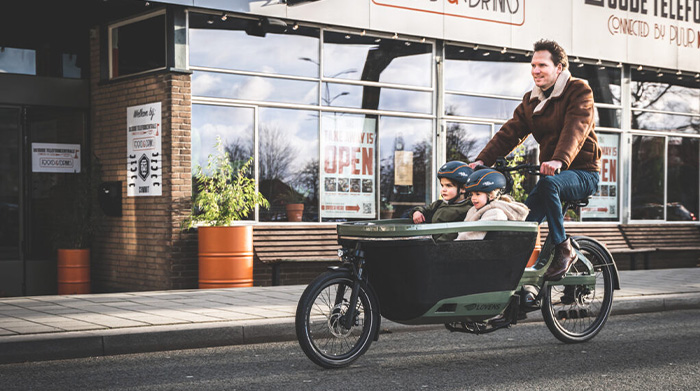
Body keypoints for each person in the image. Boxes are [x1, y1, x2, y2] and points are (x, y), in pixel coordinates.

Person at [468, 39, 601, 281]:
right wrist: (482, 161)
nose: (535, 70)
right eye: (533, 66)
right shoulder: (532, 100)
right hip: (553, 176)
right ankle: (516, 298)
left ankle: (564, 248)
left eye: (542, 65)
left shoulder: (579, 91)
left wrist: (560, 159)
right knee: (523, 226)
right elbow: (510, 132)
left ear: (559, 68)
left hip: (582, 172)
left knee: (549, 185)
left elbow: (576, 127)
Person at [456, 169, 529, 241]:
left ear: (491, 195)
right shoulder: (473, 210)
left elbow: (471, 237)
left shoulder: (496, 213)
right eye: (472, 194)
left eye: (478, 194)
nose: (473, 198)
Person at [409, 161, 473, 242]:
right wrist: (417, 212)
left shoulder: (467, 209)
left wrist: (436, 243)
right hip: (431, 242)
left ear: (463, 188)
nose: (443, 190)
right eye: (442, 185)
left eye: (448, 186)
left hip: (445, 247)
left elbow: (455, 233)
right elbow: (425, 209)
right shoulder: (439, 204)